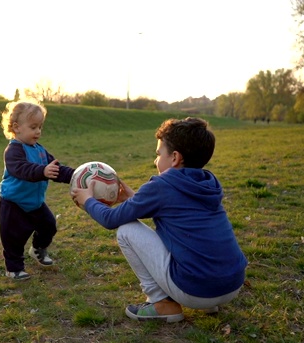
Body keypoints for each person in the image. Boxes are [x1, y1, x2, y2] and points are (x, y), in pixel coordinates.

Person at [72, 117, 247, 322]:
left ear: (174, 158)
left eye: (158, 154)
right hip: (232, 285)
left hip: (197, 291)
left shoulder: (161, 185)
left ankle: (162, 303)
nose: (156, 161)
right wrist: (133, 198)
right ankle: (207, 303)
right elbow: (173, 209)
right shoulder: (207, 183)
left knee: (126, 230)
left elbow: (111, 219)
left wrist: (88, 200)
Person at [0, 100, 74, 280]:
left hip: (35, 202)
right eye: (33, 127)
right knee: (13, 239)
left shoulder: (40, 150)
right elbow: (22, 169)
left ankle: (38, 249)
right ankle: (14, 268)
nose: (38, 131)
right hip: (14, 204)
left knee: (49, 226)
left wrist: (77, 175)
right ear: (16, 127)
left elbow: (56, 169)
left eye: (40, 127)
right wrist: (42, 171)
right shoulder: (13, 150)